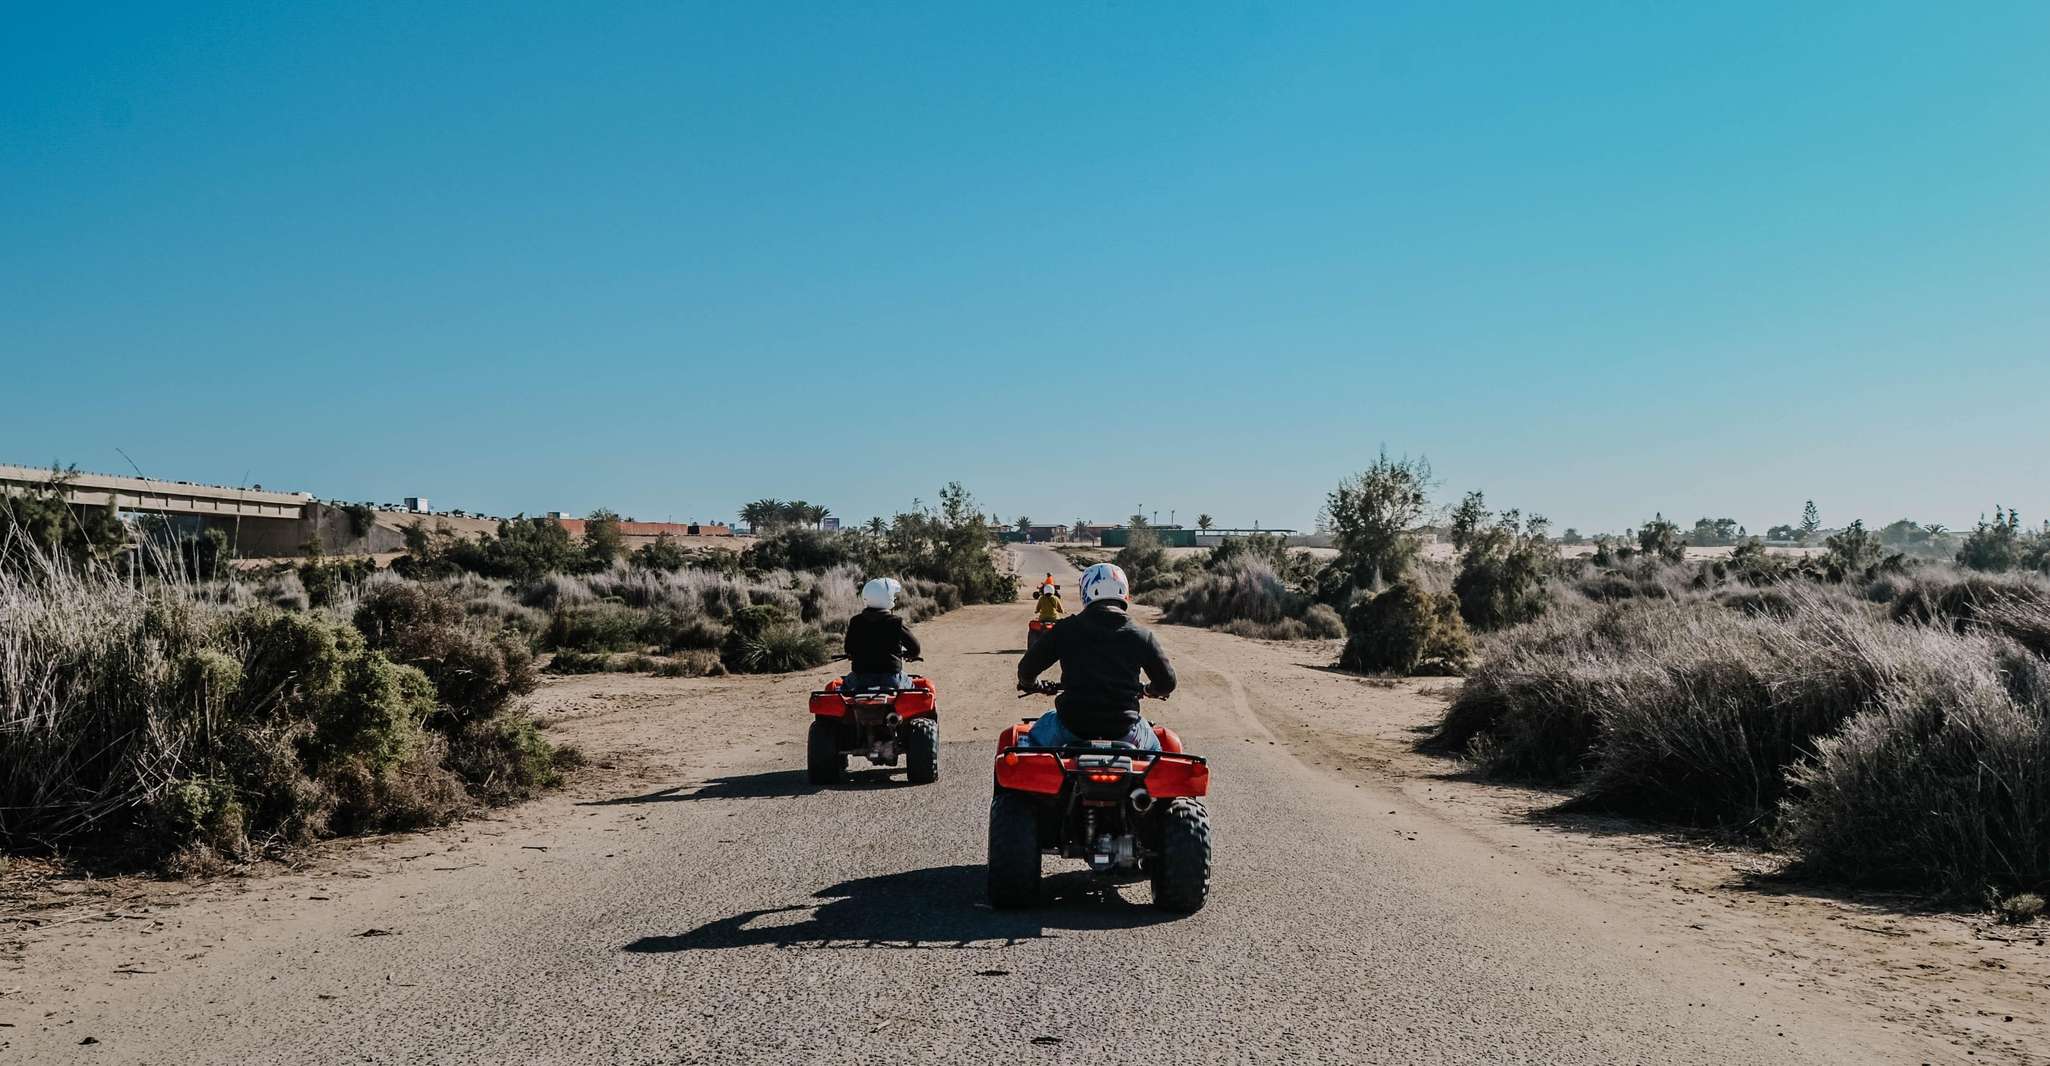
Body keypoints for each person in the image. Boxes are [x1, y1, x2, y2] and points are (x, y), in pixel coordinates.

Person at [1015, 562, 1175, 750]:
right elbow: (1167, 683)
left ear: (1086, 591)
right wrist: (1149, 690)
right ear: (1124, 592)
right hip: (1125, 730)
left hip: (1071, 726)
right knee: (1160, 754)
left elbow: (1026, 669)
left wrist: (1031, 684)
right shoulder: (1141, 635)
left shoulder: (1065, 629)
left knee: (1027, 742)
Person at [842, 578, 921, 691]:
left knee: (842, 689)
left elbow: (848, 649)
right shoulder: (896, 622)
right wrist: (910, 654)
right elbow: (915, 648)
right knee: (914, 689)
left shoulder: (855, 621)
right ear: (887, 598)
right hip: (891, 679)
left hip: (860, 679)